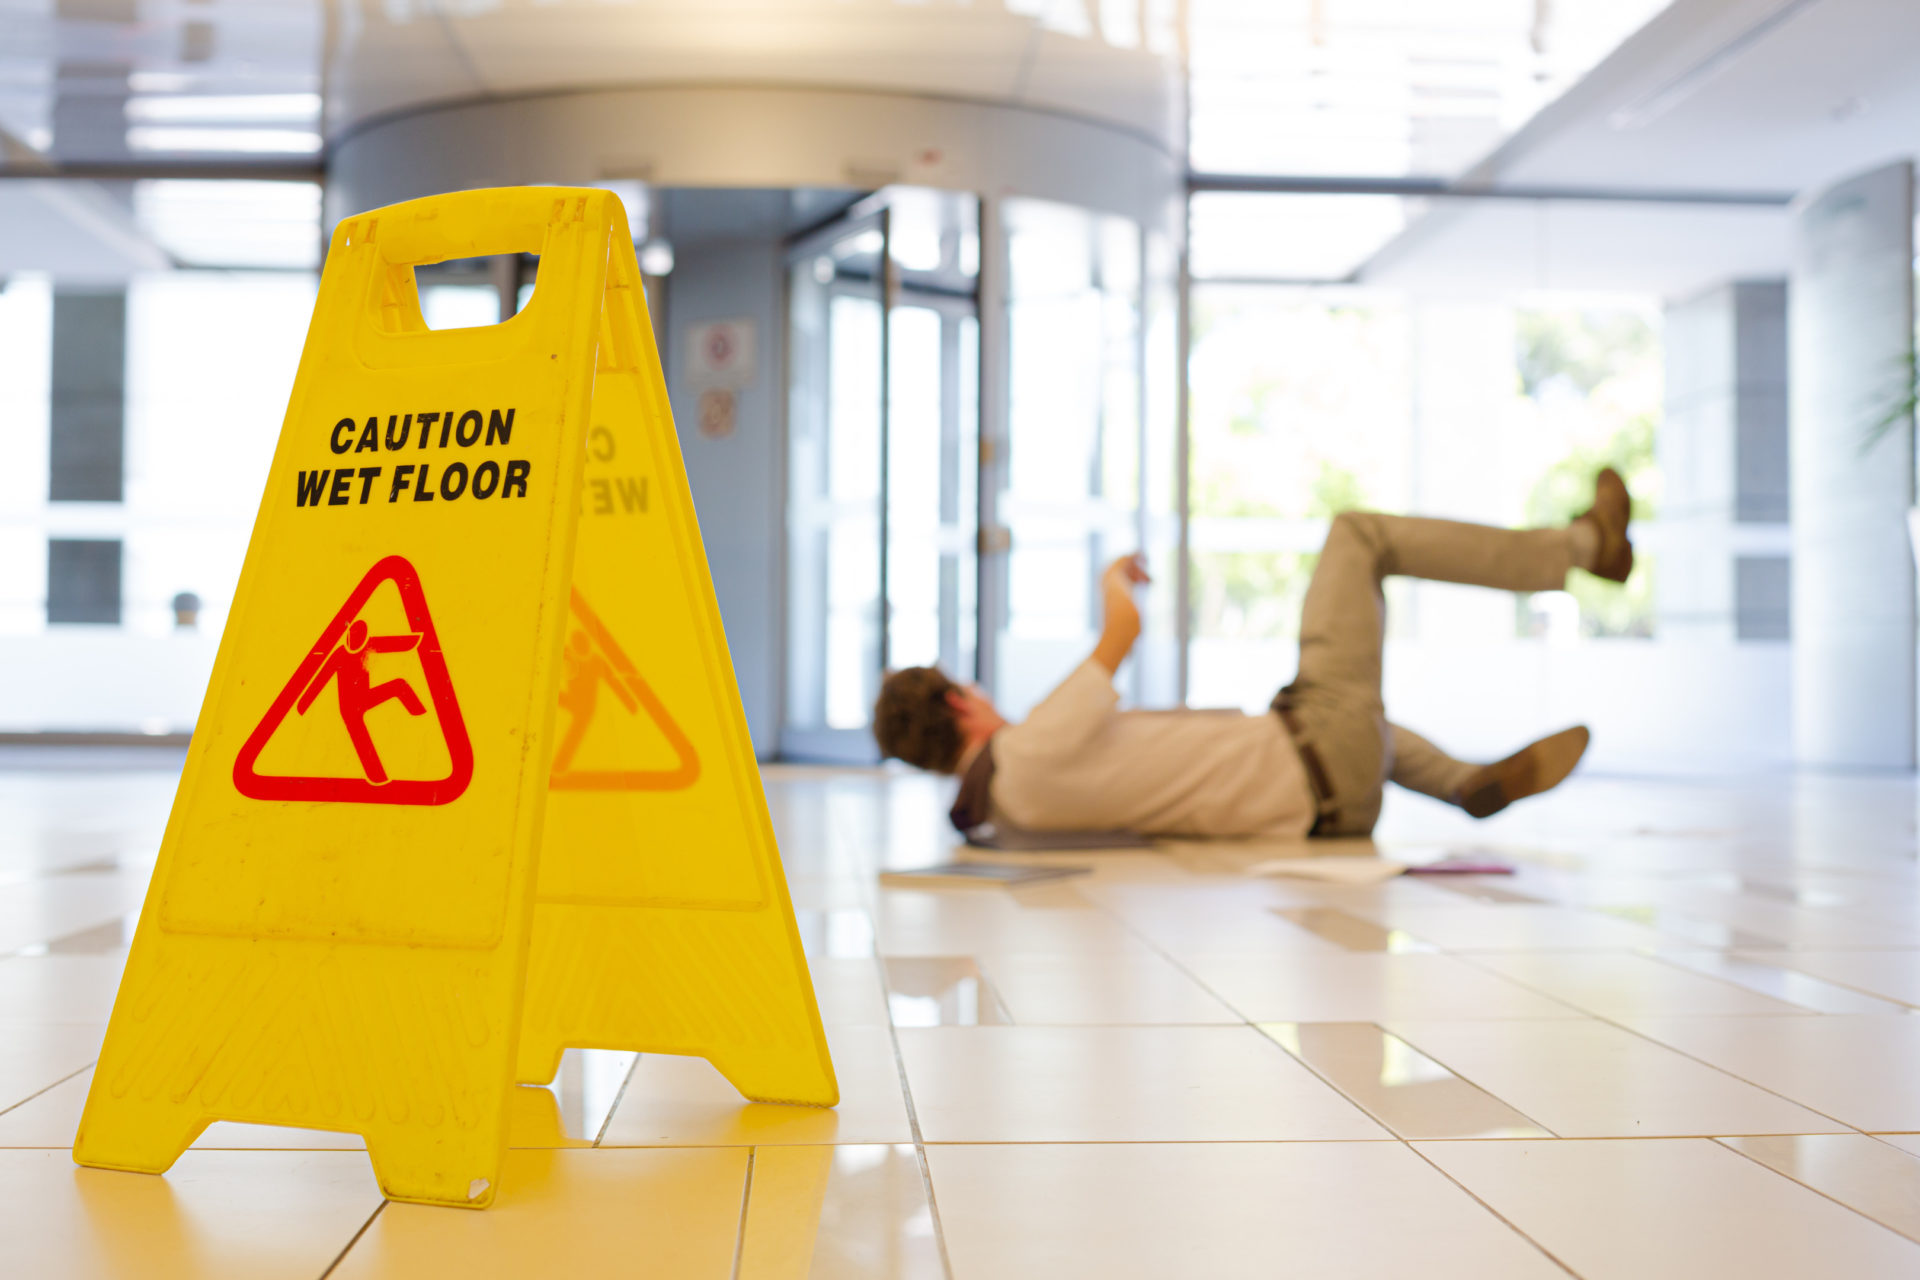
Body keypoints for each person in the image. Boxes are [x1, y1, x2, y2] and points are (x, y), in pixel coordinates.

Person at [872, 469, 1634, 840]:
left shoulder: (1008, 822)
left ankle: (1469, 785)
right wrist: (1112, 578)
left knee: (1329, 718)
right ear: (959, 704)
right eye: (968, 685)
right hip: (1317, 752)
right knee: (1356, 535)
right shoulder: (1028, 750)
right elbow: (1121, 637)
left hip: (1327, 810)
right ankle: (1583, 547)